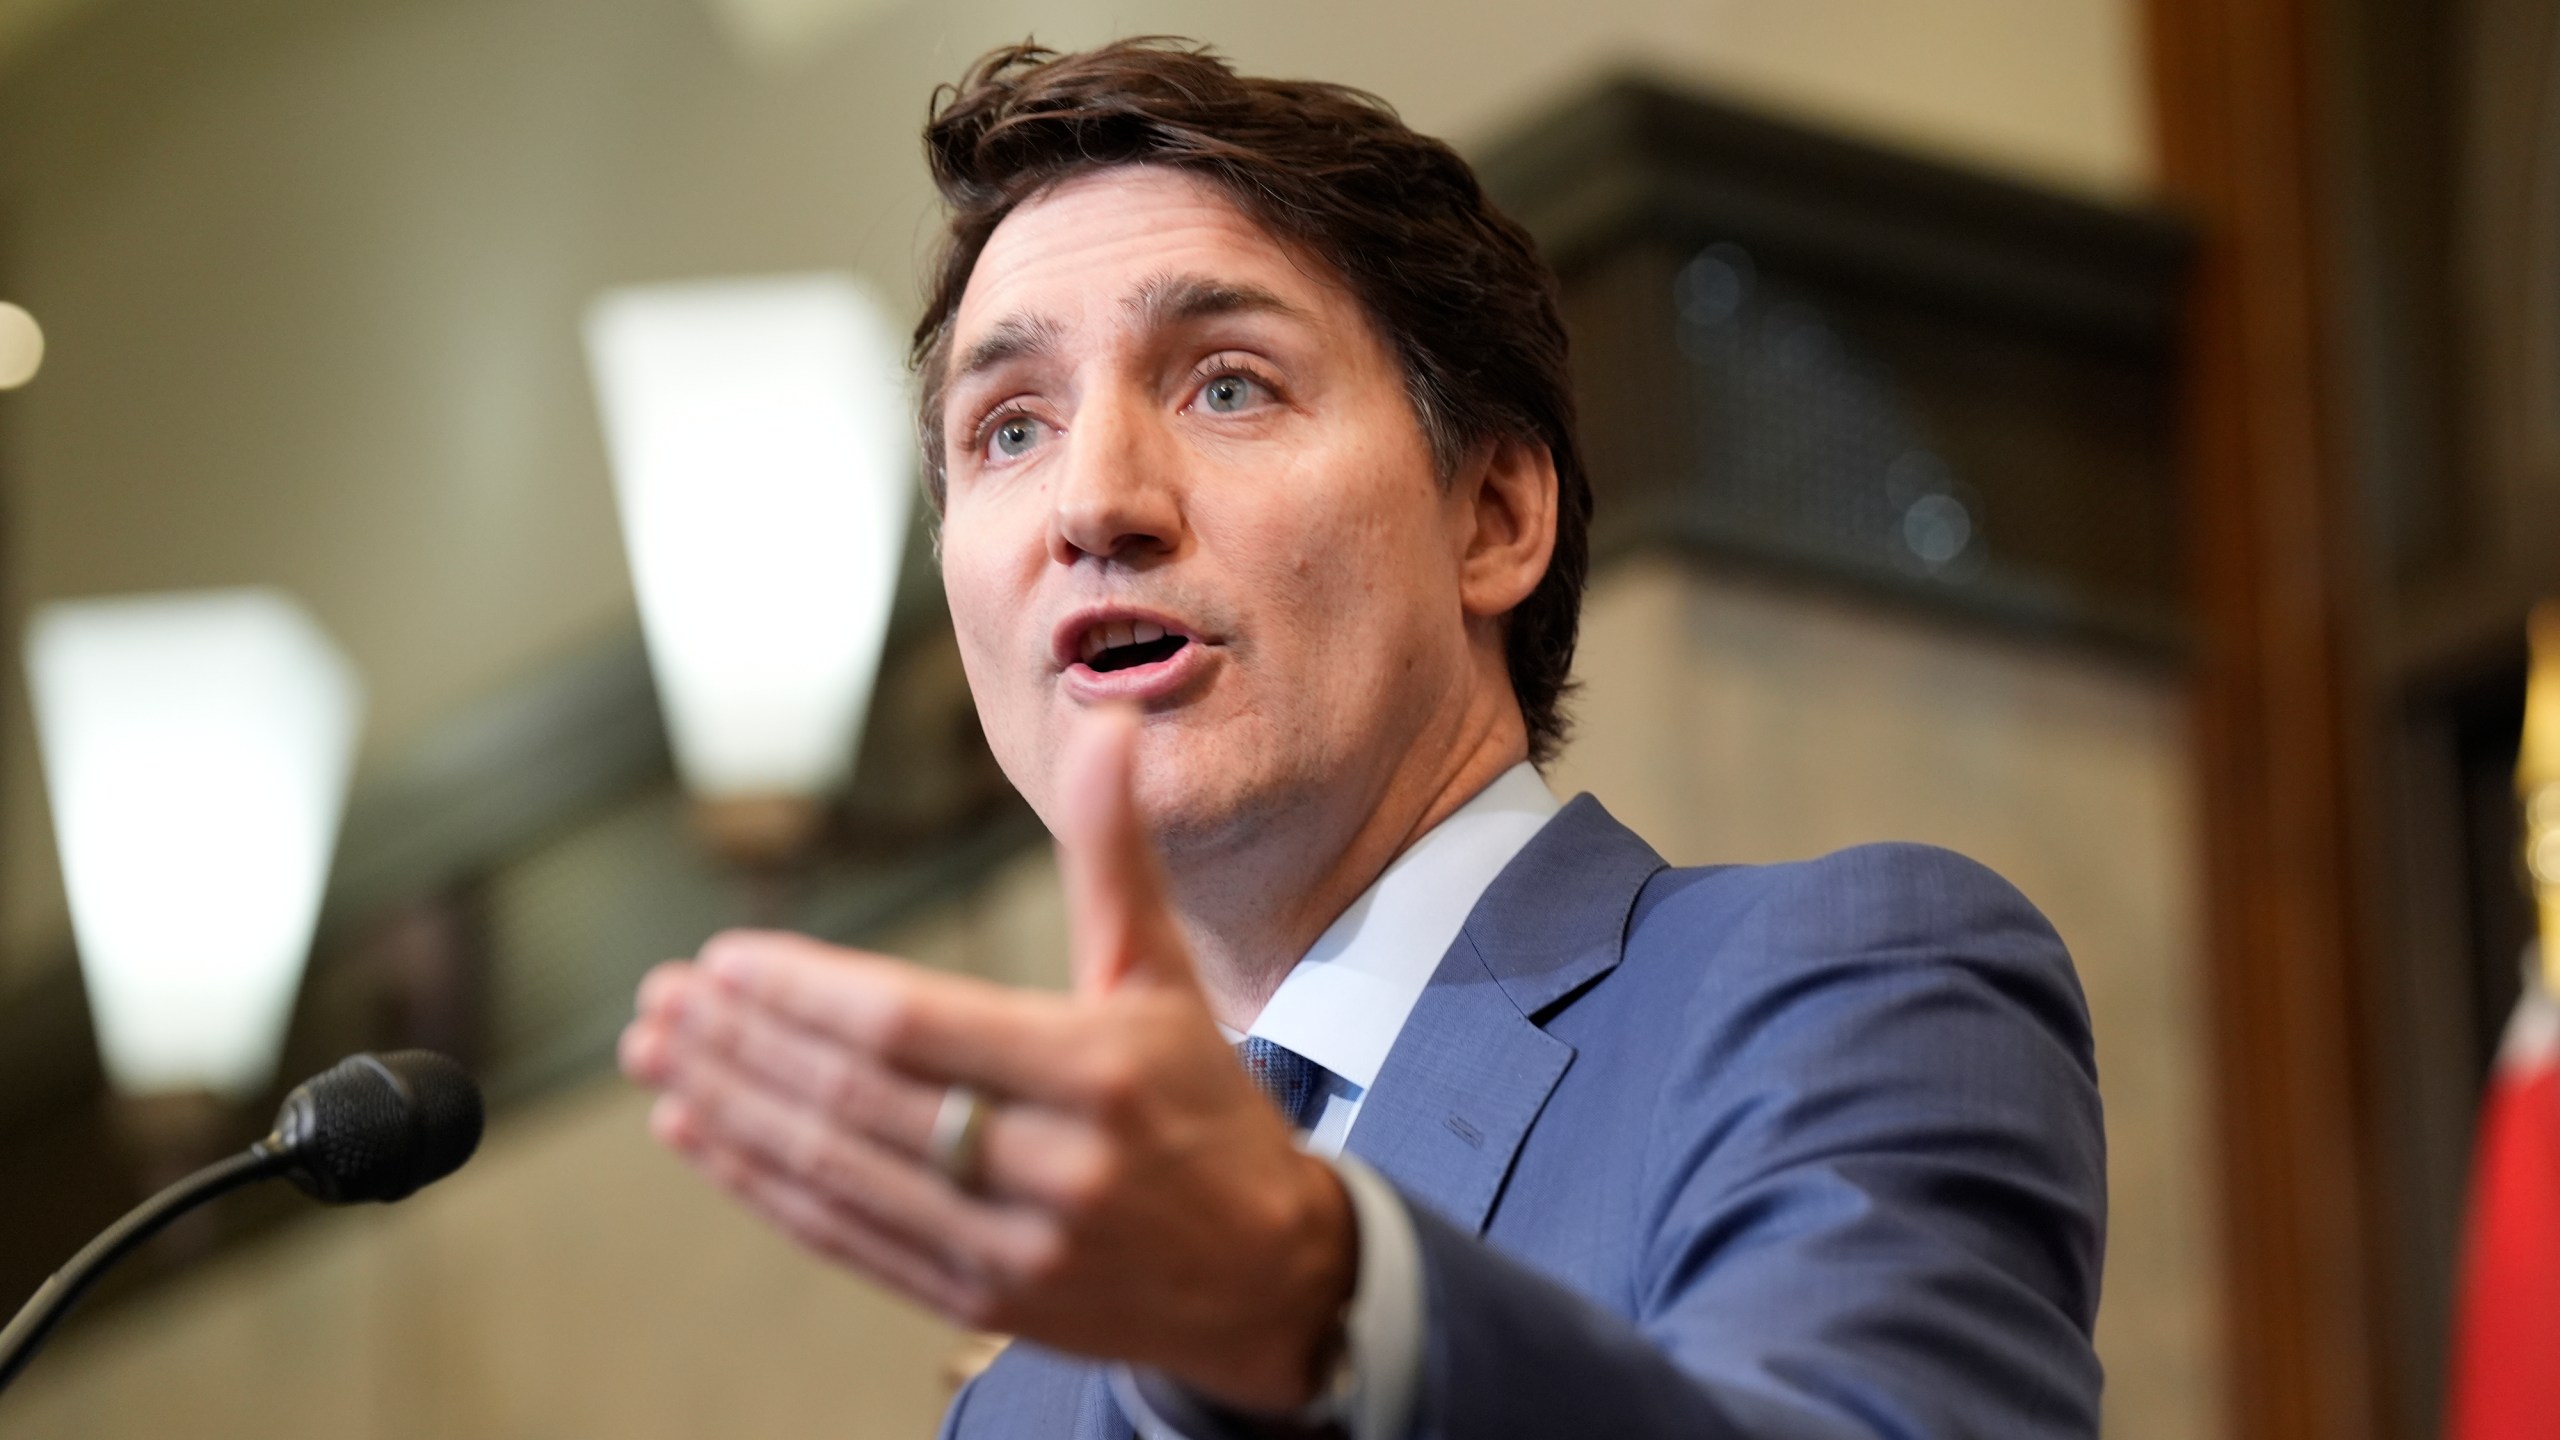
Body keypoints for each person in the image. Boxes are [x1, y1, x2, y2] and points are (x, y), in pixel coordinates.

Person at [617, 37, 2105, 1440]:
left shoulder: (1838, 985)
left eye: (1227, 384)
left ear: (1494, 515)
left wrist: (1327, 1303)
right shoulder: (1018, 1401)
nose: (1093, 502)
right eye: (1010, 427)